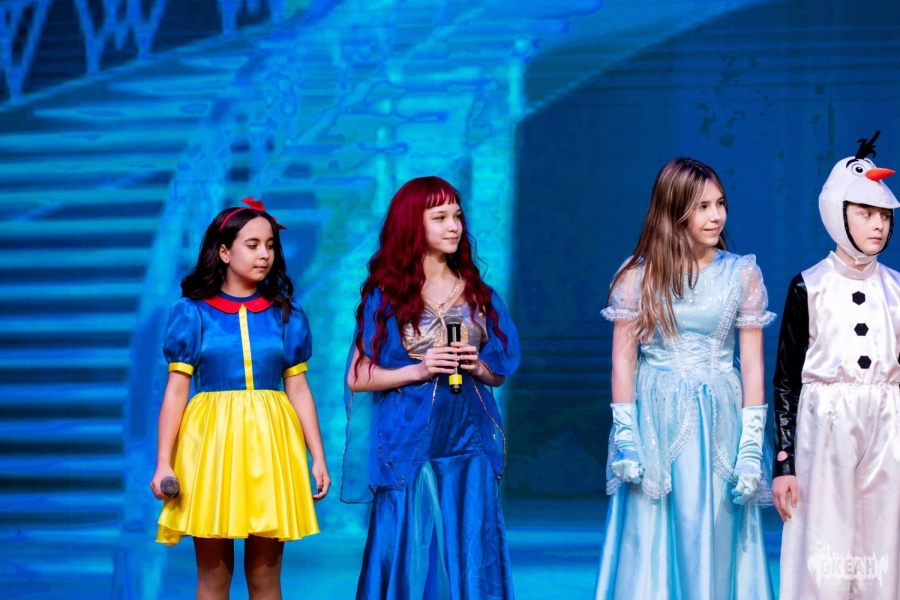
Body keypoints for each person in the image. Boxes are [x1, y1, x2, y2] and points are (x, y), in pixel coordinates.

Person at [594, 158, 776, 599]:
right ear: (674, 211)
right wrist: (626, 436)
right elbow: (624, 361)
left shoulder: (742, 273)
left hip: (719, 417)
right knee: (650, 535)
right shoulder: (636, 275)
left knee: (715, 531)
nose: (716, 216)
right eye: (702, 207)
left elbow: (753, 365)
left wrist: (751, 448)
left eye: (720, 204)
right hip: (656, 418)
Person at [341, 176, 521, 599]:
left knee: (473, 544)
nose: (454, 226)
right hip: (407, 439)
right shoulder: (387, 295)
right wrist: (419, 370)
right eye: (439, 217)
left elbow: (499, 372)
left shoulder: (479, 295)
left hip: (468, 437)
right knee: (405, 541)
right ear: (412, 224)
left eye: (457, 216)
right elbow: (358, 376)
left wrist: (477, 366)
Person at [149, 198, 330, 599]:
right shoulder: (193, 313)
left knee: (265, 579)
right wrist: (163, 461)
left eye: (270, 245)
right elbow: (176, 390)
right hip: (211, 445)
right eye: (253, 245)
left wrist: (317, 456)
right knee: (213, 579)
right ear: (224, 252)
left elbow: (298, 388)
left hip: (271, 444)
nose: (264, 254)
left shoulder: (286, 314)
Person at [773, 132, 900, 599]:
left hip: (888, 426)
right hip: (824, 427)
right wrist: (783, 462)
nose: (878, 225)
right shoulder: (809, 286)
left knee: (883, 545)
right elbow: (786, 380)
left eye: (884, 215)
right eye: (865, 212)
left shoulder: (897, 289)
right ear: (837, 212)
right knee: (823, 546)